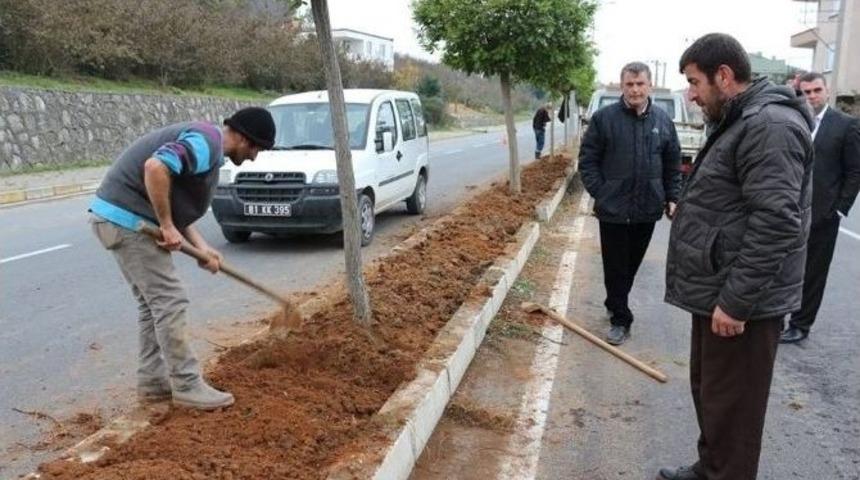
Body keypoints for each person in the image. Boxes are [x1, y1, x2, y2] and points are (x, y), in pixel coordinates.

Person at [659, 33, 814, 480]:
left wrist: (736, 301)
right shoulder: (741, 118)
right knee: (713, 395)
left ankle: (726, 472)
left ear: (723, 76)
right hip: (718, 289)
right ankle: (710, 467)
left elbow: (777, 221)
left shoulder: (770, 126)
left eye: (694, 82)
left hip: (741, 301)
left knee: (736, 408)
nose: (690, 93)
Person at [89, 107, 276, 410]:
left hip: (116, 219)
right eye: (256, 148)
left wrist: (202, 247)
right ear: (242, 137)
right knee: (170, 300)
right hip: (130, 222)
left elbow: (173, 202)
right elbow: (155, 168)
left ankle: (153, 385)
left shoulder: (207, 149)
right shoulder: (206, 143)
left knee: (153, 306)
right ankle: (187, 384)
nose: (255, 156)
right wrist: (164, 225)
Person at [579, 61, 681, 346]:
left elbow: (673, 164)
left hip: (647, 209)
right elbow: (587, 161)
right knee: (615, 266)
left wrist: (672, 196)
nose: (635, 90)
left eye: (640, 84)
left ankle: (614, 300)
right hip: (613, 210)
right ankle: (621, 319)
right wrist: (602, 192)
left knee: (631, 265)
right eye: (629, 84)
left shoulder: (662, 121)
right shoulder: (604, 119)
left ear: (649, 86)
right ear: (621, 86)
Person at [781, 72, 860, 343]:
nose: (812, 96)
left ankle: (800, 324)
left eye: (816, 90)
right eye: (806, 92)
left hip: (823, 214)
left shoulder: (846, 125)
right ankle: (777, 317)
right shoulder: (793, 120)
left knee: (813, 272)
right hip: (788, 211)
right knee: (781, 265)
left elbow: (855, 171)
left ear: (827, 91)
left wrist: (839, 209)